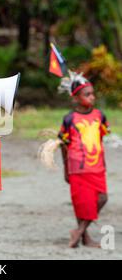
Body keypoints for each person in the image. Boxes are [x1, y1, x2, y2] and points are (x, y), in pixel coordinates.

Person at [58, 72, 110, 248]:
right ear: (76, 98)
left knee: (102, 198)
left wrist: (104, 162)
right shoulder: (69, 119)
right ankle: (85, 238)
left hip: (97, 165)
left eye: (92, 93)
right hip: (77, 166)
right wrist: (66, 169)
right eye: (87, 94)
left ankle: (78, 231)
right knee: (81, 203)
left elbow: (100, 139)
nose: (92, 97)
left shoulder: (100, 116)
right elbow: (63, 145)